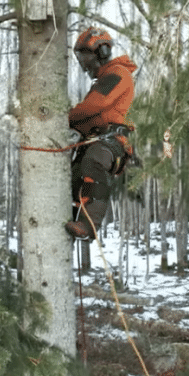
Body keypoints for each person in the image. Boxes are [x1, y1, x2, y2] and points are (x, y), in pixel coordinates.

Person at [66, 27, 139, 241]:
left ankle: (89, 226)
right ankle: (72, 218)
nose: (83, 62)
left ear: (101, 52)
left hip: (112, 141)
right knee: (75, 173)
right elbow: (90, 119)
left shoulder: (117, 74)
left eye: (85, 55)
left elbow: (93, 107)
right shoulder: (104, 79)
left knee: (94, 162)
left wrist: (64, 118)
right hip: (97, 138)